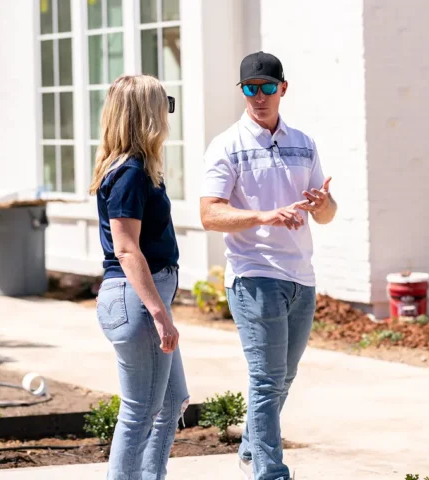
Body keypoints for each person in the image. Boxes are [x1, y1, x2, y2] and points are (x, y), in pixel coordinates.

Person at [200, 51, 337, 480]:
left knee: (284, 378)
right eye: (249, 89)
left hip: (301, 277)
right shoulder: (226, 145)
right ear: (241, 92)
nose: (258, 96)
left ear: (283, 88)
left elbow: (328, 214)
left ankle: (249, 449)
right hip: (254, 275)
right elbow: (209, 214)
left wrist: (324, 203)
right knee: (265, 379)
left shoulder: (304, 142)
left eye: (266, 87)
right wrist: (262, 216)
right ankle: (269, 472)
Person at [89, 74, 189, 480]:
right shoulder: (129, 172)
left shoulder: (132, 169)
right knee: (139, 414)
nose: (168, 113)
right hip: (136, 300)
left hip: (137, 298)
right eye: (163, 103)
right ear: (145, 114)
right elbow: (127, 249)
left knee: (172, 402)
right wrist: (159, 314)